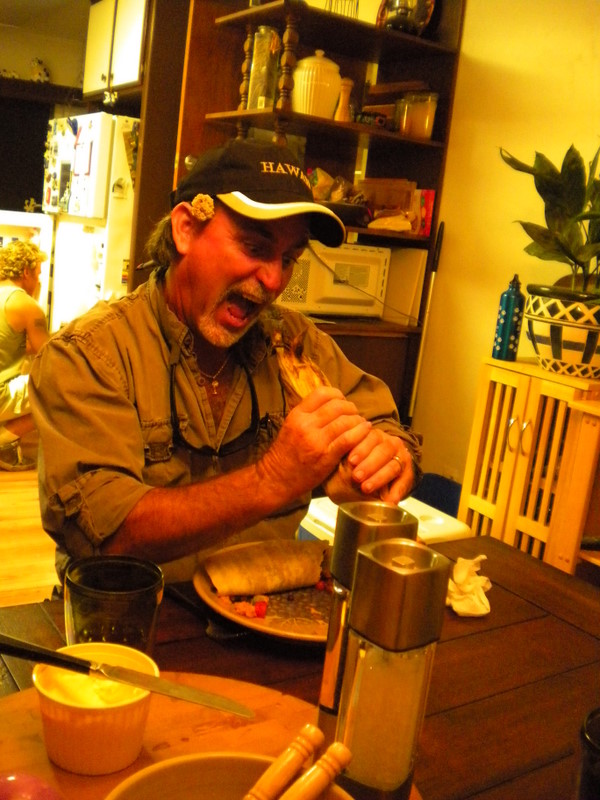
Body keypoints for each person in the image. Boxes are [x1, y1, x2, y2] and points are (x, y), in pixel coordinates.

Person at [29, 138, 422, 583]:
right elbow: (106, 533)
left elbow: (388, 425)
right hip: (135, 615)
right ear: (186, 229)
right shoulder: (89, 354)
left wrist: (385, 460)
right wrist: (272, 479)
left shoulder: (293, 343)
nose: (273, 280)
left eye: (288, 259)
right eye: (255, 248)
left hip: (270, 610)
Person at [0, 240, 49, 471]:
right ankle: (2, 441)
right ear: (26, 272)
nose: (39, 280)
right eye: (37, 274)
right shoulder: (26, 305)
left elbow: (10, 345)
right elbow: (49, 355)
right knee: (57, 390)